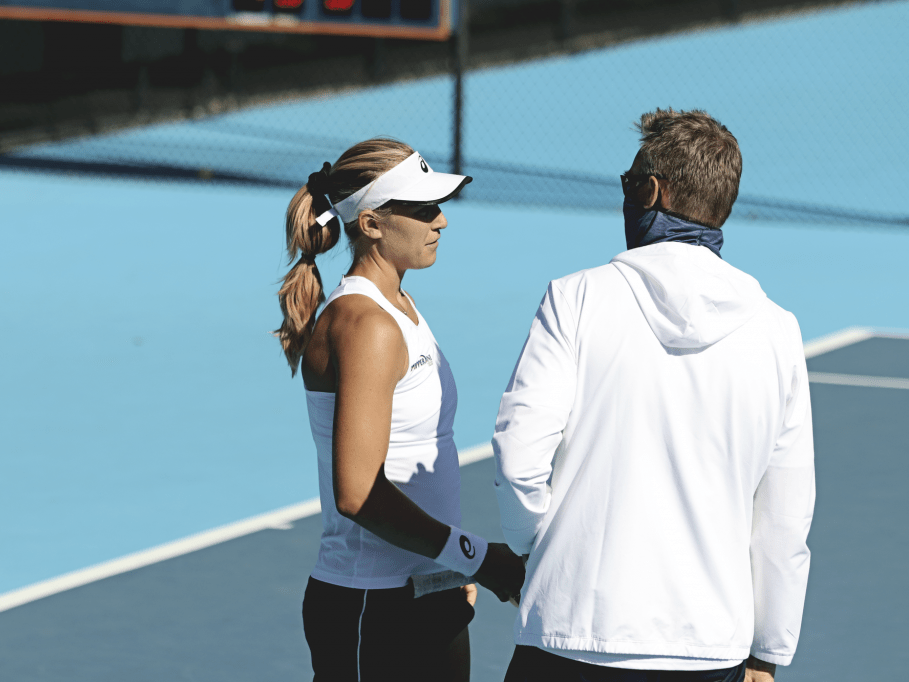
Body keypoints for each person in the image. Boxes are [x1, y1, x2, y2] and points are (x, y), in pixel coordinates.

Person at [492, 109, 815, 682]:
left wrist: (537, 553)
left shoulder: (575, 298)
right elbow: (785, 519)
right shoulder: (778, 330)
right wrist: (768, 654)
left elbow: (519, 458)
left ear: (651, 191)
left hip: (569, 634)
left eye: (629, 182)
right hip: (709, 647)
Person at [276, 138, 525, 682]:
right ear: (370, 224)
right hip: (374, 608)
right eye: (422, 209)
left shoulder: (400, 306)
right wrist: (477, 557)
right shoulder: (366, 325)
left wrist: (450, 564)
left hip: (423, 590)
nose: (440, 221)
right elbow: (358, 493)